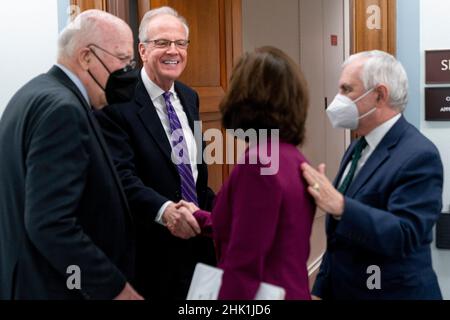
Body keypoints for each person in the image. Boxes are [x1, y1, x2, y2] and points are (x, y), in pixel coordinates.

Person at [0, 10, 142, 300]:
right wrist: (114, 288)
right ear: (86, 57)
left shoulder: (32, 93)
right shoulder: (63, 111)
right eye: (123, 60)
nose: (129, 72)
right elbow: (50, 223)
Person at [175, 46, 316, 300]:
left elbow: (243, 267)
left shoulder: (258, 165)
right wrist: (200, 216)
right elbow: (255, 227)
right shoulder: (290, 156)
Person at [301, 50, 443, 300]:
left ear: (379, 95)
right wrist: (320, 289)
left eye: (347, 90)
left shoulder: (420, 155)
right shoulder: (358, 146)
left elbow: (405, 234)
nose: (338, 99)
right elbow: (338, 240)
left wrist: (343, 207)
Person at [95, 6, 216, 300]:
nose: (172, 51)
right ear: (143, 50)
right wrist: (166, 212)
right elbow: (121, 178)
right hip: (151, 253)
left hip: (199, 246)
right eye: (162, 42)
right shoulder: (117, 103)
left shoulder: (189, 96)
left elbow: (196, 176)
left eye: (180, 43)